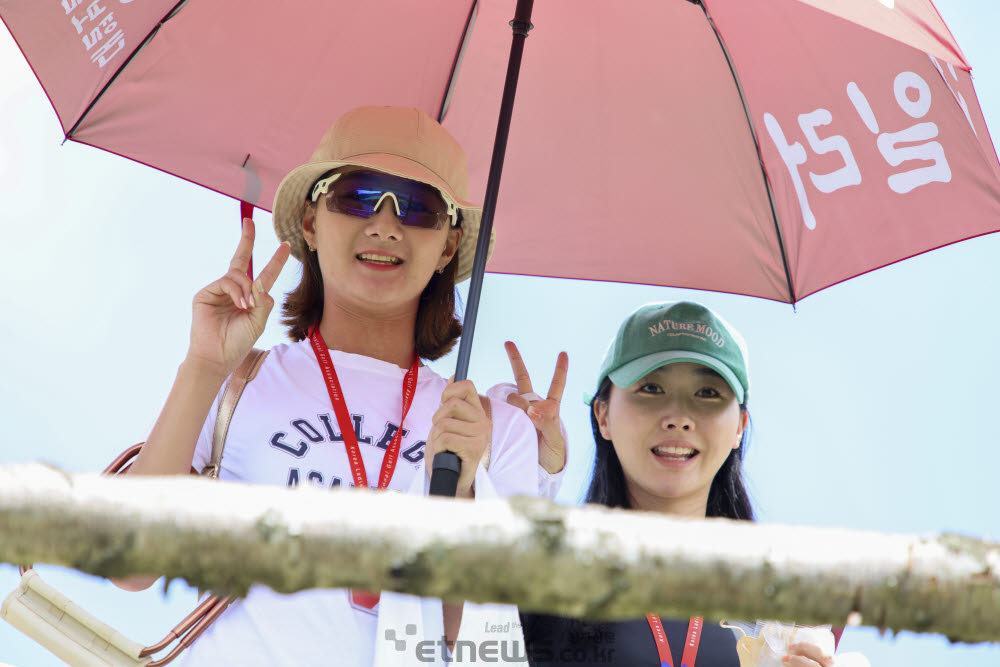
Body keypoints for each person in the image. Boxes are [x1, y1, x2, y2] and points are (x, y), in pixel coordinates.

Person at [119, 106, 541, 666]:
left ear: (447, 245)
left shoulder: (493, 430)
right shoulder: (237, 381)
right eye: (358, 197)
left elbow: (480, 650)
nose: (385, 225)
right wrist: (203, 365)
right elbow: (130, 567)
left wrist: (464, 500)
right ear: (312, 222)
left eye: (418, 208)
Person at [519, 301, 837, 667]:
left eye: (707, 393)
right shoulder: (543, 583)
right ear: (602, 415)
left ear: (739, 426)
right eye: (651, 388)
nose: (679, 418)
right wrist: (508, 479)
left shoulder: (783, 611)